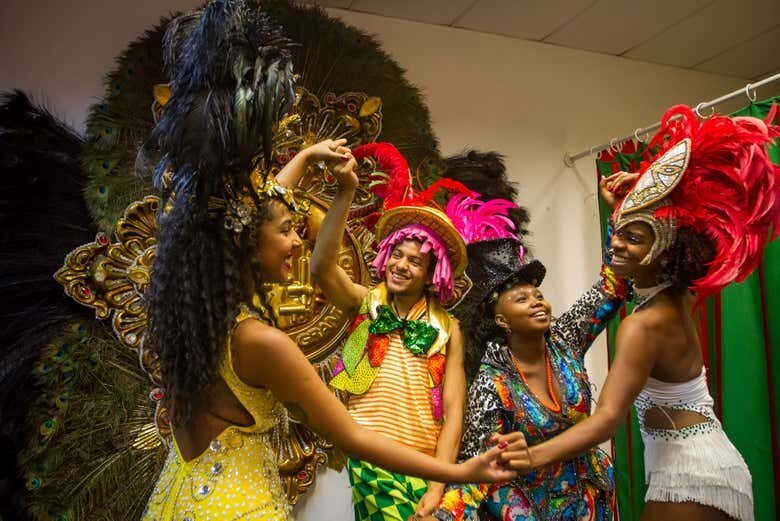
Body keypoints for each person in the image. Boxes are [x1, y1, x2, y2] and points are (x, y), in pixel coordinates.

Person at [139, 2, 515, 520]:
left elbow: (255, 213)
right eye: (290, 231)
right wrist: (459, 473)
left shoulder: (195, 318)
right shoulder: (262, 343)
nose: (297, 242)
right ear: (247, 241)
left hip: (182, 496)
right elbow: (351, 437)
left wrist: (306, 158)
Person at [517, 105, 780, 521]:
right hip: (706, 465)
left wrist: (528, 459)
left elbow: (605, 420)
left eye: (632, 237)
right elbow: (629, 265)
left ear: (664, 251)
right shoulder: (676, 295)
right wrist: (629, 201)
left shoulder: (643, 325)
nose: (617, 244)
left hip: (690, 474)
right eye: (617, 231)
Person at [424, 182, 631, 520]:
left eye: (537, 295)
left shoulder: (565, 338)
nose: (537, 302)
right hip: (533, 509)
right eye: (522, 299)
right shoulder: (492, 385)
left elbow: (612, 285)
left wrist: (618, 214)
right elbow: (476, 469)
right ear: (501, 319)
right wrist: (442, 515)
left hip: (592, 501)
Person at [309, 141, 471, 521]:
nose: (401, 265)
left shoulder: (448, 328)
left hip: (420, 468)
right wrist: (345, 192)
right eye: (397, 255)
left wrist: (437, 485)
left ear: (433, 274)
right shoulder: (366, 303)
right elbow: (321, 268)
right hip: (363, 460)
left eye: (415, 261)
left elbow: (453, 410)